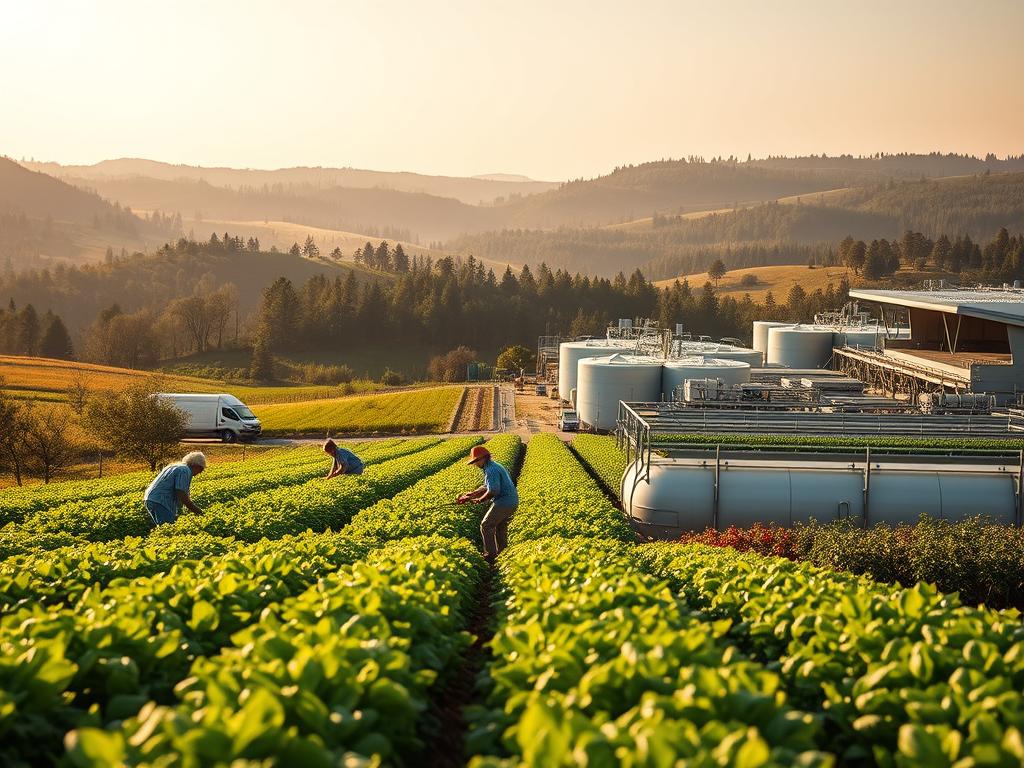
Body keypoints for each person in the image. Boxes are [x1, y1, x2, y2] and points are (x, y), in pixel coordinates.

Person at [457, 445, 518, 562]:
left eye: (476, 461)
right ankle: (503, 553)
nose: (475, 464)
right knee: (500, 527)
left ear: (483, 458)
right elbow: (487, 486)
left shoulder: (491, 470)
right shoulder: (493, 466)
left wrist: (480, 500)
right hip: (512, 501)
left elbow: (494, 490)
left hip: (504, 502)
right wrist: (472, 494)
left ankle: (490, 555)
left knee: (486, 525)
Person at [143, 451, 206, 526]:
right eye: (201, 470)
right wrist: (197, 510)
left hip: (151, 499)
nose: (199, 473)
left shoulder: (174, 466)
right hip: (161, 501)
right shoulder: (185, 471)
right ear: (196, 466)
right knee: (168, 528)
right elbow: (181, 492)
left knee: (163, 527)